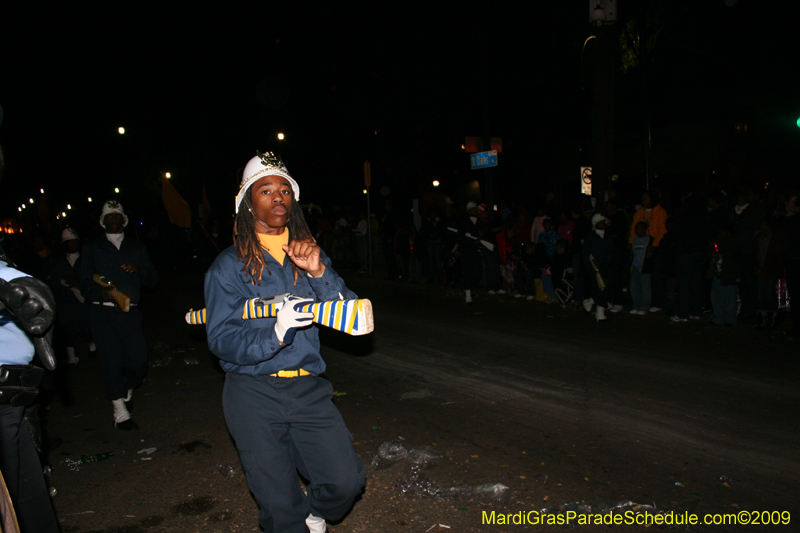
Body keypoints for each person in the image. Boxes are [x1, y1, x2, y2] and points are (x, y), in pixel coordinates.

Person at [204, 151, 365, 533]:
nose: (278, 197)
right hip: (252, 392)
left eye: (284, 190)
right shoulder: (228, 266)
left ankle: (314, 511)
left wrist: (320, 271)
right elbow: (222, 338)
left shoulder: (309, 253)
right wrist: (275, 332)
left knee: (345, 483)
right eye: (265, 190)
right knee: (279, 509)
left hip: (308, 387)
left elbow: (351, 314)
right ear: (248, 203)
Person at [80, 200, 159, 431]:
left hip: (130, 312)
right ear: (102, 221)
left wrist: (140, 269)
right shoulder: (92, 248)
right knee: (111, 359)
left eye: (117, 216)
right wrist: (100, 292)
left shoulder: (136, 247)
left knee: (139, 359)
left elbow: (153, 279)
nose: (113, 220)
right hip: (102, 312)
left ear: (124, 220)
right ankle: (120, 411)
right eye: (109, 217)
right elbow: (84, 281)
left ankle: (126, 385)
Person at [48, 227, 95, 364]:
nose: (73, 244)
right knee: (68, 327)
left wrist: (76, 280)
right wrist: (65, 290)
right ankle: (71, 355)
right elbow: (54, 283)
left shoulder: (85, 260)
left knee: (86, 324)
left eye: (75, 242)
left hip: (83, 301)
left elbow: (92, 277)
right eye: (70, 242)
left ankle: (92, 346)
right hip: (67, 302)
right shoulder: (59, 263)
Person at [583, 214, 615, 322]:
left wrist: (611, 256)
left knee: (606, 286)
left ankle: (589, 303)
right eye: (602, 222)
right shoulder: (591, 237)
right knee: (603, 286)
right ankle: (599, 314)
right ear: (596, 223)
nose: (604, 224)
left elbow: (612, 250)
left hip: (605, 266)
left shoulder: (608, 237)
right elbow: (586, 255)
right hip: (594, 266)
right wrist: (590, 268)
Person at [629, 221, 652, 315]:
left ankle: (644, 307)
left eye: (638, 228)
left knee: (645, 288)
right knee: (634, 287)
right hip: (635, 266)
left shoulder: (649, 239)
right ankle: (636, 306)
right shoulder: (635, 239)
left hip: (644, 267)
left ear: (644, 229)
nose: (636, 230)